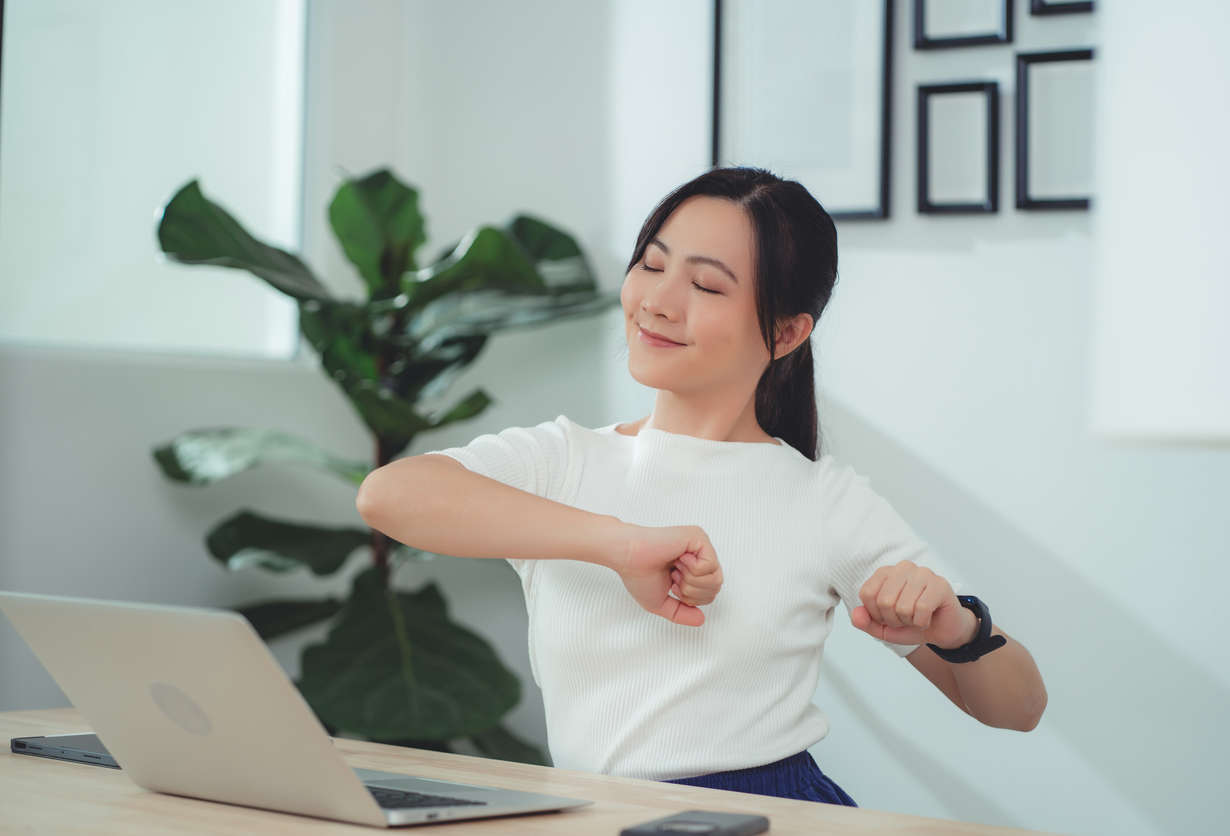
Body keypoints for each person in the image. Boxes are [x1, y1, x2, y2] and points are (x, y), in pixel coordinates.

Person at [355, 166, 1047, 807]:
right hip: (597, 812)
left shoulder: (822, 500)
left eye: (707, 285)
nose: (657, 300)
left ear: (786, 332)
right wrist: (619, 544)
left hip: (769, 815)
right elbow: (388, 497)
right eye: (652, 264)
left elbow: (1018, 709)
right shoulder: (563, 461)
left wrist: (957, 624)